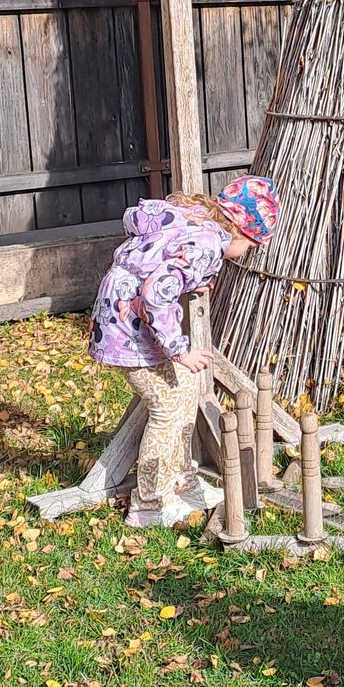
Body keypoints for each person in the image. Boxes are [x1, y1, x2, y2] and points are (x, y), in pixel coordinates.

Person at [88, 177, 280, 528]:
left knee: (187, 388)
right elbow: (156, 295)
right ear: (240, 230)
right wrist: (180, 351)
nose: (248, 252)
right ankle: (150, 503)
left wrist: (194, 280)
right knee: (165, 409)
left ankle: (181, 480)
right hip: (127, 328)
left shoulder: (199, 220)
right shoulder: (207, 243)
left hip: (127, 317)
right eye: (251, 245)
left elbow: (164, 260)